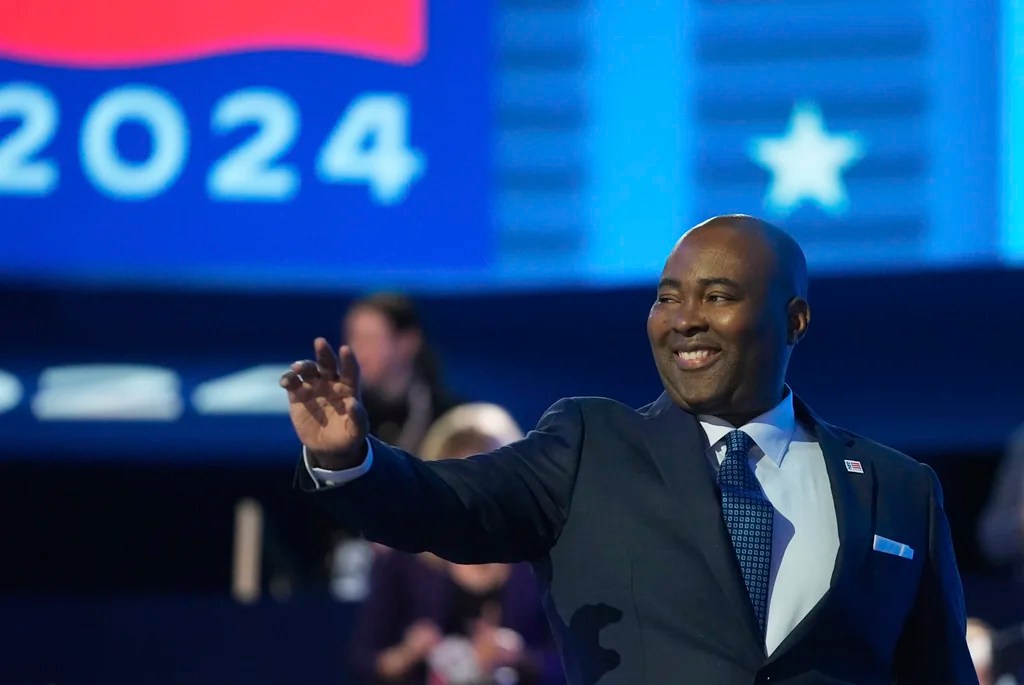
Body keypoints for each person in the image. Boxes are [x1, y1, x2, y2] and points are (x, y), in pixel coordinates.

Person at [282, 215, 977, 684]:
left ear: (794, 319)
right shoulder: (590, 446)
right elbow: (445, 503)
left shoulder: (897, 489)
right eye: (667, 298)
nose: (685, 320)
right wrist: (350, 459)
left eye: (717, 296)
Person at [348, 403, 562, 685]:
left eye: (485, 480)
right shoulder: (403, 559)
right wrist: (408, 653)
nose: (472, 496)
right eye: (458, 482)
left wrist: (521, 658)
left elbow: (583, 660)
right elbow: (364, 661)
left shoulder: (547, 558)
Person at [343, 292, 459, 452]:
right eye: (353, 338)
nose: (358, 352)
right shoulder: (345, 414)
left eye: (370, 339)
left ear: (408, 343)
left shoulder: (451, 419)